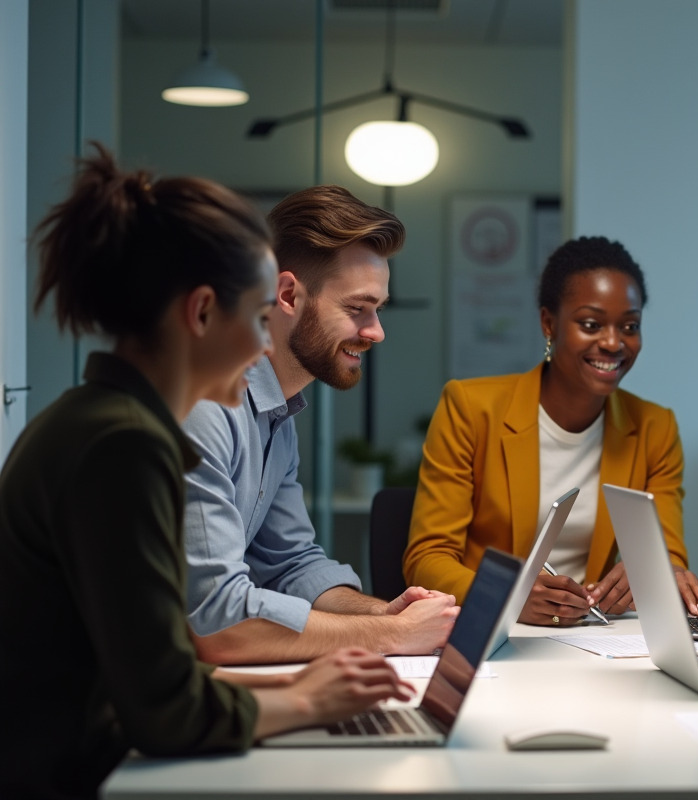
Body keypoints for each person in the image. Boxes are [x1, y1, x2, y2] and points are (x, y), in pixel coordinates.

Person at [0, 146, 412, 800]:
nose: (260, 348)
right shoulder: (126, 444)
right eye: (255, 318)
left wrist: (307, 679)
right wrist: (306, 701)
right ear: (199, 314)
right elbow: (168, 706)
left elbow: (161, 670)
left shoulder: (104, 421)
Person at [183, 185, 457, 665]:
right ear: (288, 294)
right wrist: (390, 636)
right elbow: (217, 619)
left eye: (378, 309)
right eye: (357, 309)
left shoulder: (277, 412)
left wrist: (381, 614)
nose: (376, 331)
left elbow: (293, 564)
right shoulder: (208, 408)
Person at [404, 235, 698, 624]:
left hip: (592, 634)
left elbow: (668, 555)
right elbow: (427, 558)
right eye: (591, 324)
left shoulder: (654, 427)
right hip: (491, 631)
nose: (614, 342)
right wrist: (507, 597)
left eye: (629, 326)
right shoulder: (470, 408)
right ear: (549, 323)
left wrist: (654, 572)